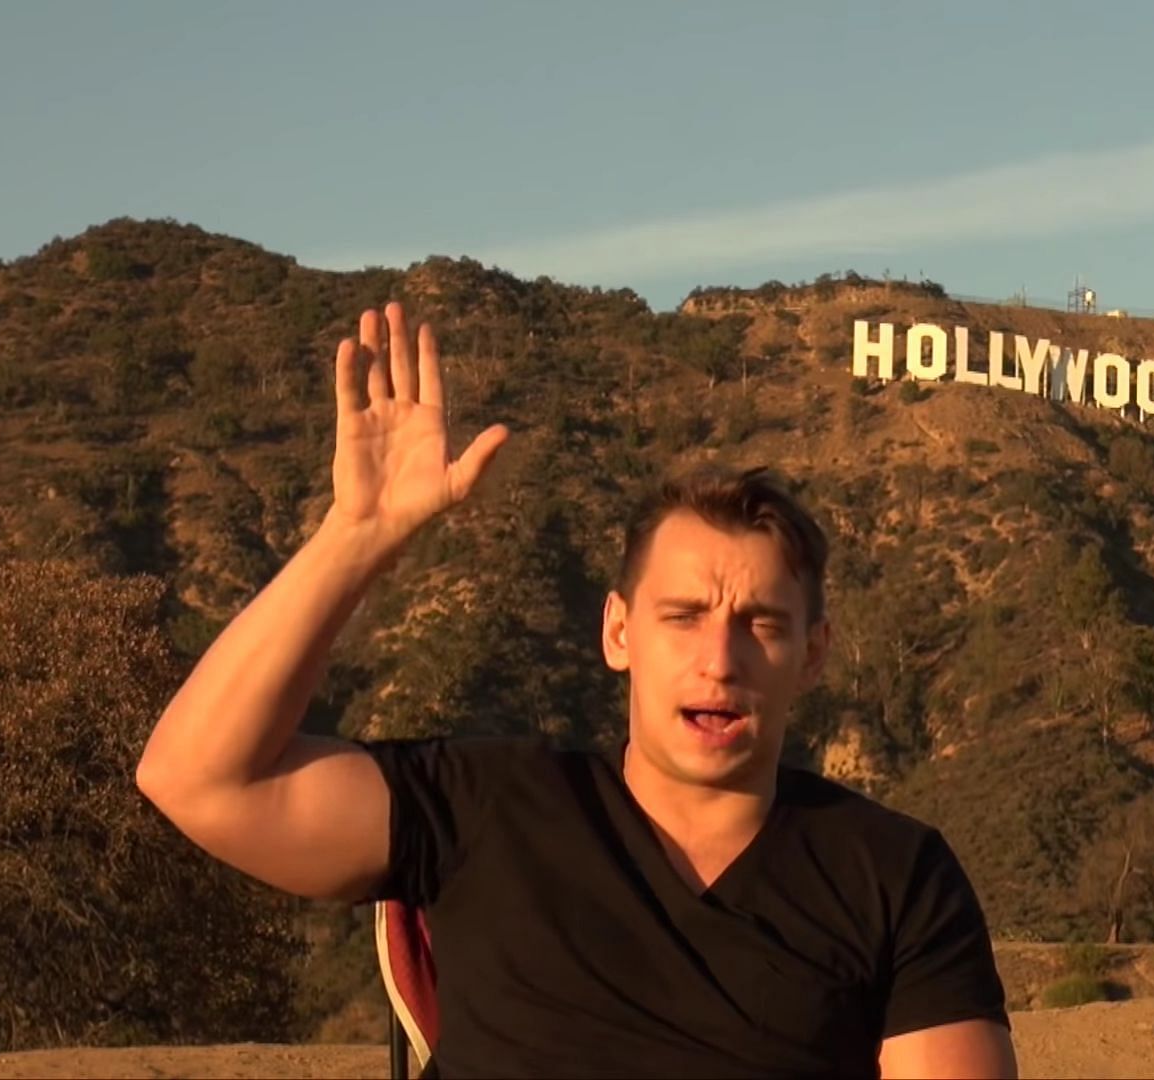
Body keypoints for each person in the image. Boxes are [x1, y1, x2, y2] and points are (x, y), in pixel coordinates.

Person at [136, 303, 1017, 1079]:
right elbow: (198, 779)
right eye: (682, 616)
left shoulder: (892, 874)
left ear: (814, 656)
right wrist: (358, 537)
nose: (719, 658)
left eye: (761, 624)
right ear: (618, 633)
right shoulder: (488, 808)